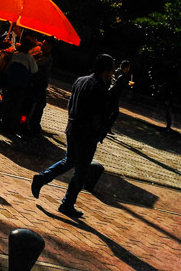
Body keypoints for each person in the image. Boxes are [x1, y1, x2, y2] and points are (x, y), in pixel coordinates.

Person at [30, 54, 115, 218]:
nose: (112, 73)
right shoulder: (99, 87)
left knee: (69, 160)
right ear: (106, 70)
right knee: (81, 170)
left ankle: (42, 179)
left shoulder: (81, 80)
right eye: (111, 70)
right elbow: (98, 113)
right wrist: (98, 132)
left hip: (74, 127)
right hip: (86, 132)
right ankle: (67, 203)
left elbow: (71, 103)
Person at [0, 39, 38, 132]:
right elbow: (34, 70)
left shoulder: (15, 55)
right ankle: (12, 125)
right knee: (17, 104)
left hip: (11, 82)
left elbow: (9, 67)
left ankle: (3, 122)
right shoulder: (29, 58)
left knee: (8, 101)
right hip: (21, 84)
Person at [28, 37, 54, 135]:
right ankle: (32, 123)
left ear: (50, 47)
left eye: (45, 44)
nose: (42, 45)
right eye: (42, 43)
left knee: (40, 104)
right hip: (34, 82)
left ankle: (34, 124)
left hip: (39, 83)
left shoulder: (47, 58)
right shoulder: (39, 52)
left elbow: (36, 64)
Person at [107, 60, 132, 135]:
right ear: (126, 68)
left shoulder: (117, 72)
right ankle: (106, 127)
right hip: (114, 94)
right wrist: (128, 85)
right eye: (128, 67)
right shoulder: (121, 75)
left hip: (112, 93)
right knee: (114, 112)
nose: (129, 69)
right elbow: (119, 84)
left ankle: (106, 127)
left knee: (110, 111)